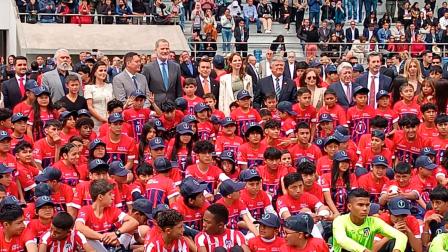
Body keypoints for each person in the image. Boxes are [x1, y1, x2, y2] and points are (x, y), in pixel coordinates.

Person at [332, 188, 408, 252]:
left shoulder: (374, 222)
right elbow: (342, 240)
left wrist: (397, 250)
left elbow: (401, 236)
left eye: (367, 205)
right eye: (360, 205)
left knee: (395, 242)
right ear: (349, 206)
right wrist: (364, 250)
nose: (365, 209)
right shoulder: (340, 221)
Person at [74, 179, 139, 250]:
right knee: (80, 233)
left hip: (109, 244)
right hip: (96, 244)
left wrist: (116, 233)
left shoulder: (112, 209)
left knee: (131, 227)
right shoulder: (86, 209)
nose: (113, 197)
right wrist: (103, 238)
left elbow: (134, 222)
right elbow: (79, 226)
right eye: (110, 194)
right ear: (100, 197)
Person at [142, 39, 182, 107]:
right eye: (162, 49)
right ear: (156, 50)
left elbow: (178, 89)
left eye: (167, 48)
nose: (165, 51)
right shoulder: (148, 68)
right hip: (155, 107)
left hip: (172, 107)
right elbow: (144, 89)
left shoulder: (176, 67)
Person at [84, 61, 114, 131]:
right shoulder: (89, 87)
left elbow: (113, 104)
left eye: (105, 70)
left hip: (110, 120)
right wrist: (102, 119)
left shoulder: (110, 86)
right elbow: (90, 107)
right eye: (100, 70)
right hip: (96, 122)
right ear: (94, 72)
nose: (103, 73)